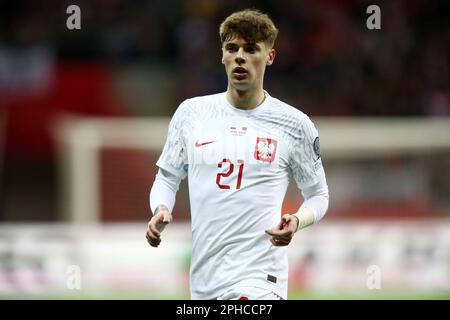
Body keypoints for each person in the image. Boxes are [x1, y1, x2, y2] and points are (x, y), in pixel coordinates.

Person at [146, 9, 329, 300]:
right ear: (222, 55)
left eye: (251, 49)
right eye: (232, 48)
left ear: (270, 57)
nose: (240, 56)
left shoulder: (295, 125)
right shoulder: (192, 114)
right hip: (205, 279)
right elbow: (167, 178)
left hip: (261, 278)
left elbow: (318, 195)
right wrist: (160, 209)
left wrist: (296, 220)